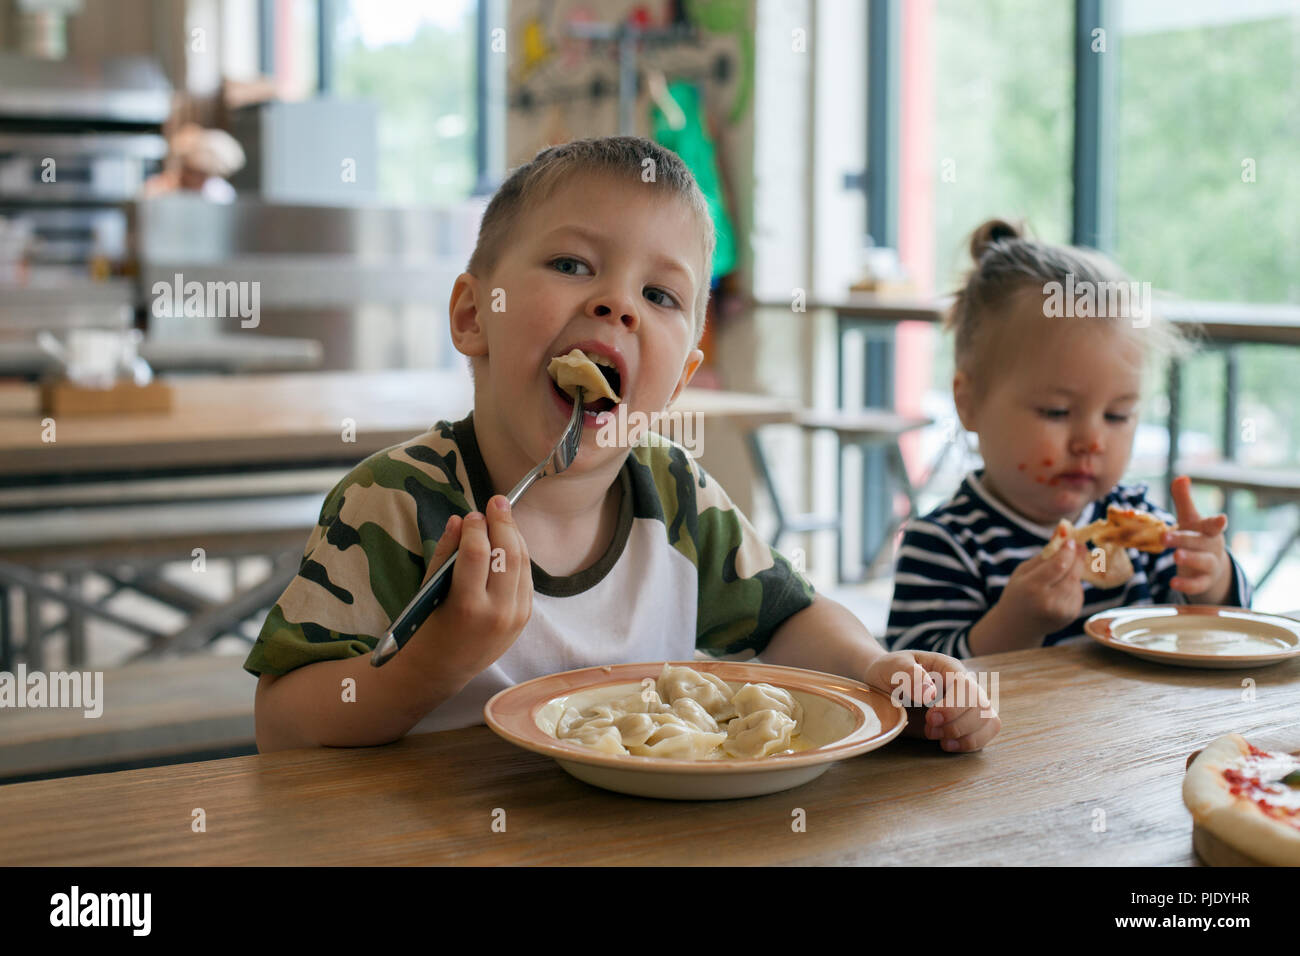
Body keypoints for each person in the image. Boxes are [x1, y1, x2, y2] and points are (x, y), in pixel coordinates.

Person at [245, 136, 1000, 755]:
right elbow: (283, 725)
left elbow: (791, 618)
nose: (616, 305)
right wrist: (433, 662)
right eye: (572, 265)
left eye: (661, 295)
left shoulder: (674, 495)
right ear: (475, 315)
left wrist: (875, 664)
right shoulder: (396, 503)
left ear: (678, 384)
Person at [885, 219, 1252, 658]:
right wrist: (1013, 625)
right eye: (1056, 412)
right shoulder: (944, 546)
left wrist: (1213, 581)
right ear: (969, 404)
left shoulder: (1140, 528)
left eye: (1117, 415)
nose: (1091, 442)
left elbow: (1216, 636)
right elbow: (914, 690)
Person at [140, 123, 244, 203]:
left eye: (203, 174)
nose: (197, 179)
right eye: (192, 172)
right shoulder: (159, 190)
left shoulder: (219, 193)